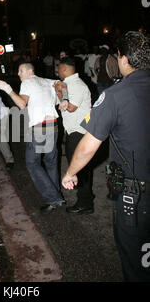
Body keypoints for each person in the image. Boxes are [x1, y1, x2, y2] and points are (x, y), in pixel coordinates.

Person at [62, 31, 150, 282]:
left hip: (137, 196)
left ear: (122, 58)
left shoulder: (115, 95)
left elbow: (88, 145)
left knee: (137, 264)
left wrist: (70, 173)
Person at [0, 63, 68, 212]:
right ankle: (56, 197)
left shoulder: (28, 82)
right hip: (53, 126)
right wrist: (64, 99)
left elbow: (22, 104)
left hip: (40, 128)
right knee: (51, 163)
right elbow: (63, 85)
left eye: (20, 71)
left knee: (32, 163)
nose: (18, 74)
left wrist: (8, 90)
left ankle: (54, 197)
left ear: (29, 71)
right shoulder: (48, 81)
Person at [56, 57, 94, 214]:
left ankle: (85, 203)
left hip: (79, 132)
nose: (57, 71)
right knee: (80, 168)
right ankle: (85, 199)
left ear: (64, 69)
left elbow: (70, 108)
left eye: (59, 68)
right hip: (75, 131)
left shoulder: (76, 85)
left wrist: (58, 91)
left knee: (80, 168)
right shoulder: (69, 84)